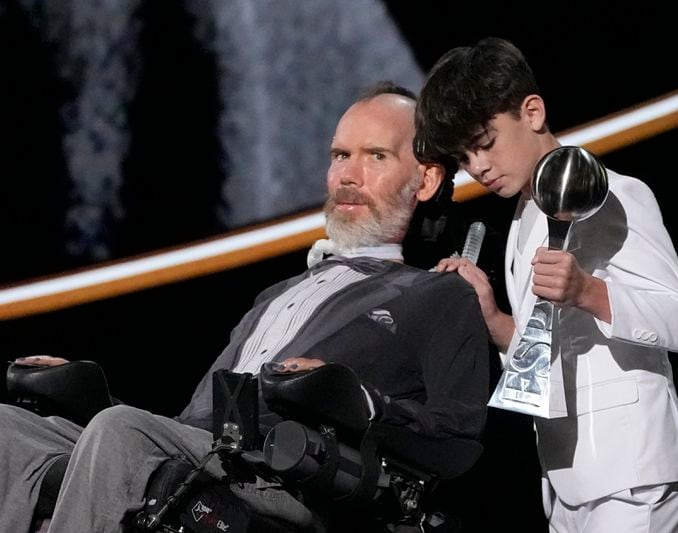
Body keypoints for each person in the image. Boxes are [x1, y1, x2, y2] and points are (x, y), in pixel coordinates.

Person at [0, 81, 490, 533]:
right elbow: (189, 427)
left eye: (375, 156)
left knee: (120, 432)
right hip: (205, 450)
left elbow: (456, 439)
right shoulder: (275, 295)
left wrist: (360, 399)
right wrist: (95, 402)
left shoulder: (438, 295)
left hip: (280, 475)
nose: (347, 176)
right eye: (340, 155)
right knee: (10, 428)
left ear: (425, 181)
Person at [415, 37, 678, 532]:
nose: (477, 167)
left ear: (532, 112)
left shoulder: (615, 193)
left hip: (633, 473)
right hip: (565, 481)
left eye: (485, 143)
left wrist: (587, 291)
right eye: (464, 158)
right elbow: (545, 351)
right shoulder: (521, 218)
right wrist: (494, 319)